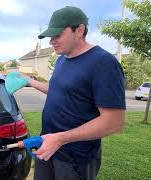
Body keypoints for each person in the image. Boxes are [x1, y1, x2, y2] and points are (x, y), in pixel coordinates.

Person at [27, 6, 126, 180]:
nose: (51, 41)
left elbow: (114, 122)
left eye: (57, 35)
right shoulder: (61, 60)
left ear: (79, 30)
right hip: (47, 146)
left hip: (75, 157)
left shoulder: (103, 63)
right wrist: (30, 82)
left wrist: (61, 139)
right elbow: (61, 91)